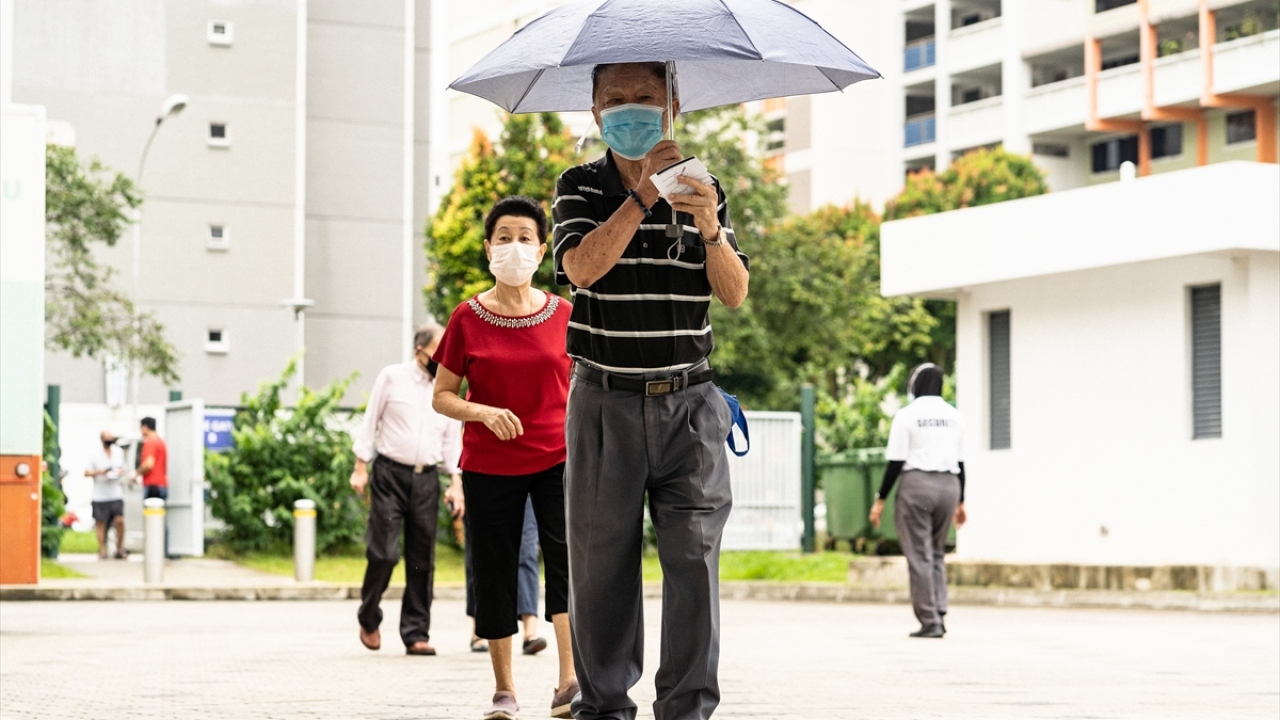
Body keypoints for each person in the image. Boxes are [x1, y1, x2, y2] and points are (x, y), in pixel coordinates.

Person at [552, 62, 750, 720]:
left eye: (645, 98)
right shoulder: (579, 185)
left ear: (673, 107)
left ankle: (688, 708)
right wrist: (640, 197)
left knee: (694, 561)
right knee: (600, 563)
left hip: (689, 406)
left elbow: (735, 291)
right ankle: (604, 706)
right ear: (594, 108)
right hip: (603, 401)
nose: (630, 111)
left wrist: (710, 225)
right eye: (616, 100)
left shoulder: (703, 187)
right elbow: (580, 269)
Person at [432, 195, 577, 720]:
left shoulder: (565, 313)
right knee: (493, 571)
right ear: (487, 247)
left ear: (542, 249)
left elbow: (582, 386)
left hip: (558, 461)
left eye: (525, 238)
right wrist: (483, 412)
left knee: (564, 567)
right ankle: (504, 689)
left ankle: (567, 682)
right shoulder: (466, 317)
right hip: (490, 467)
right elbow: (442, 394)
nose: (514, 247)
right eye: (503, 237)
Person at [350, 323, 464, 656]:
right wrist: (360, 466)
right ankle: (368, 616)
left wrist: (455, 483)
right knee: (383, 553)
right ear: (420, 351)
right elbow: (370, 421)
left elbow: (450, 442)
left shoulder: (446, 389)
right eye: (438, 351)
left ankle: (416, 632)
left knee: (422, 560)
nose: (443, 359)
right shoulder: (392, 377)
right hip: (389, 474)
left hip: (427, 480)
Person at [869, 363, 968, 639]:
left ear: (916, 383)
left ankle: (929, 619)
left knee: (919, 554)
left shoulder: (907, 415)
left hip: (918, 487)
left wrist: (880, 500)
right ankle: (940, 610)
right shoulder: (954, 416)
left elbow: (896, 462)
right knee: (937, 552)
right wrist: (961, 501)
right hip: (949, 486)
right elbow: (961, 462)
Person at [465, 498, 548, 655]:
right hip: (486, 479)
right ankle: (480, 630)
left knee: (527, 551)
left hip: (529, 482)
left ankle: (530, 633)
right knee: (482, 551)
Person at [85, 431, 127, 559]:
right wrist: (99, 472)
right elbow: (86, 472)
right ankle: (103, 550)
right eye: (107, 438)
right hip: (100, 494)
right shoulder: (94, 453)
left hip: (116, 493)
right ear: (102, 439)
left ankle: (120, 549)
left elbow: (124, 468)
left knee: (120, 521)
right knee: (101, 523)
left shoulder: (118, 452)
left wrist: (119, 472)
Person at [136, 417, 167, 502]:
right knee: (159, 514)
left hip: (152, 486)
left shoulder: (150, 441)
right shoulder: (160, 441)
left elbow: (149, 464)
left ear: (145, 427)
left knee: (151, 514)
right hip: (162, 484)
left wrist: (136, 473)